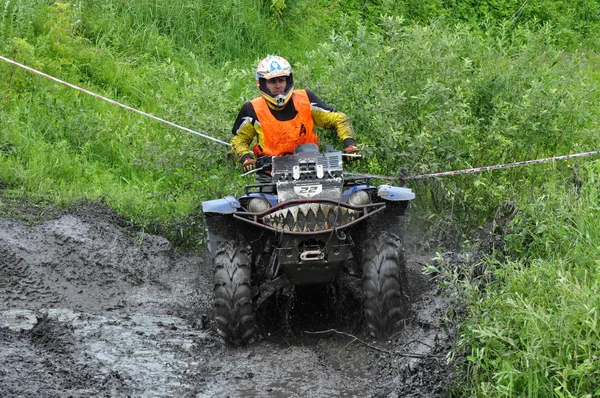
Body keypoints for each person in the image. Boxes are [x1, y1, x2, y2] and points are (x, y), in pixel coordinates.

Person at [231, 55, 359, 176]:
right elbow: (239, 140)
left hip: (312, 171)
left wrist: (349, 144)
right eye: (272, 81)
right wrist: (246, 158)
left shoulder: (306, 99)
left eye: (281, 80)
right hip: (270, 176)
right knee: (257, 200)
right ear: (263, 83)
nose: (278, 85)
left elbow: (338, 119)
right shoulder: (252, 109)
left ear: (289, 80)